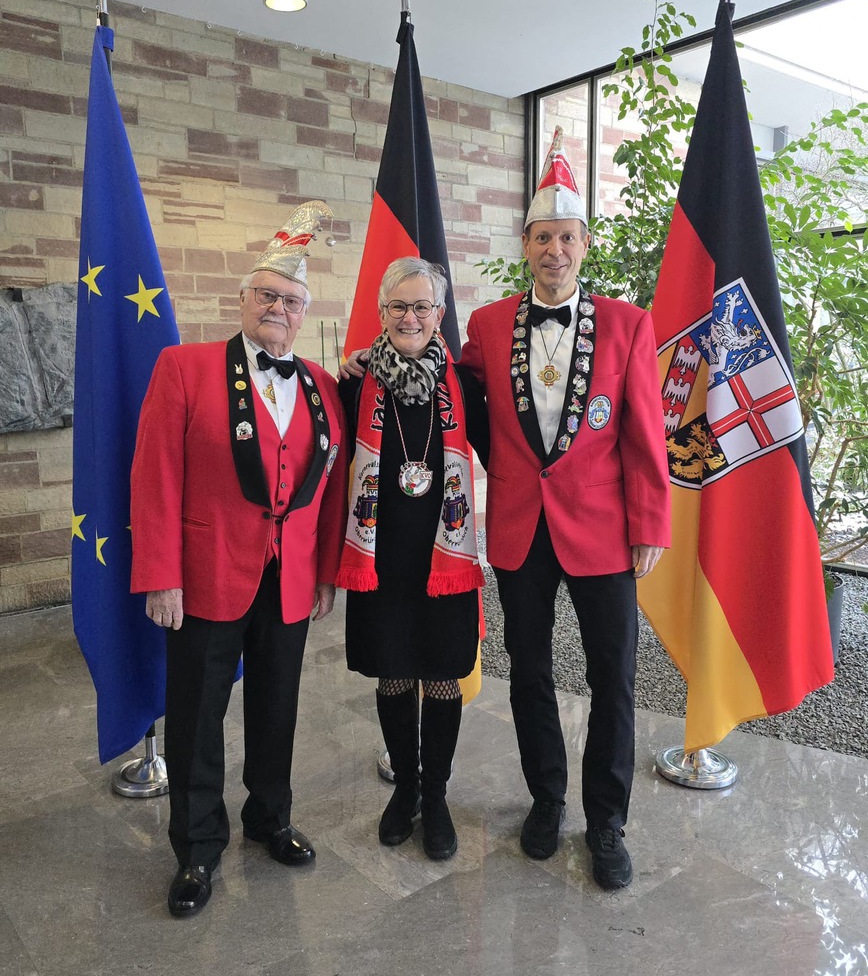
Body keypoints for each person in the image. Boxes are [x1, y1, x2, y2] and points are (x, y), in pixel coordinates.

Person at [459, 128, 671, 889]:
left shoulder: (627, 324)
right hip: (521, 527)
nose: (555, 250)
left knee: (614, 674)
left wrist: (651, 521)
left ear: (585, 244)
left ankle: (607, 819)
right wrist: (375, 364)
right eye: (543, 237)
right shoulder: (488, 326)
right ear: (525, 246)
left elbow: (645, 432)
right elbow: (457, 395)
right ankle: (546, 798)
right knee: (530, 671)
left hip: (605, 530)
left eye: (567, 237)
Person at [130, 201, 348, 918]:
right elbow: (154, 476)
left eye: (291, 301)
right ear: (244, 299)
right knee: (197, 712)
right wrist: (160, 574)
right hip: (205, 575)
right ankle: (197, 845)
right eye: (267, 295)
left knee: (278, 705)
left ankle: (269, 817)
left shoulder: (322, 386)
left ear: (304, 311)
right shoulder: (184, 368)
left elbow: (330, 489)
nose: (278, 308)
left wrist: (324, 572)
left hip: (289, 580)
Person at [336, 257, 488, 861]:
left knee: (444, 675)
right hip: (381, 558)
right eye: (398, 306)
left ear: (439, 314)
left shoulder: (465, 385)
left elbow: (506, 450)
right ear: (382, 313)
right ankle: (405, 789)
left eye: (422, 306)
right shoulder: (354, 384)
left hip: (444, 557)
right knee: (394, 672)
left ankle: (437, 795)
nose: (410, 317)